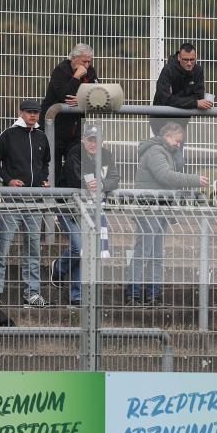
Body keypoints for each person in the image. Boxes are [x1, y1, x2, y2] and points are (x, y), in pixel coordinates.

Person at [128, 122, 208, 304]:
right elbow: (165, 175)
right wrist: (194, 180)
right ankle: (134, 294)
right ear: (168, 136)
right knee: (144, 252)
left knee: (155, 255)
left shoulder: (163, 152)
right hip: (150, 208)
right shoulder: (156, 152)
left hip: (160, 208)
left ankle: (152, 295)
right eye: (178, 141)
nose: (179, 145)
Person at [0, 99, 51, 308]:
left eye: (36, 112)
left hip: (35, 201)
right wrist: (7, 180)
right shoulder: (8, 135)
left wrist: (43, 179)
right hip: (12, 201)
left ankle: (32, 293)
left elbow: (45, 164)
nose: (33, 115)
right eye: (29, 112)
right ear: (20, 112)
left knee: (33, 249)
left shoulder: (42, 136)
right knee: (2, 247)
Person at [52, 124, 120, 305]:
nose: (93, 143)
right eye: (90, 139)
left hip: (91, 209)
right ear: (83, 139)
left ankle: (76, 295)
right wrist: (89, 183)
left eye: (96, 140)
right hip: (69, 207)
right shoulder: (75, 152)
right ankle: (59, 266)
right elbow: (74, 178)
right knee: (78, 246)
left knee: (84, 250)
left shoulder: (106, 155)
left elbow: (115, 179)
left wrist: (102, 184)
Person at [40, 43, 98, 181]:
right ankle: (52, 196)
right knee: (54, 165)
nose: (87, 65)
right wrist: (76, 77)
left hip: (76, 128)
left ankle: (71, 197)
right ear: (73, 58)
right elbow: (65, 96)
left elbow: (97, 94)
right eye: (84, 61)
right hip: (55, 128)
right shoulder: (60, 71)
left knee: (74, 164)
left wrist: (81, 100)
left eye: (89, 61)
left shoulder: (90, 72)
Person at [150, 42, 212, 170]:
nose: (189, 63)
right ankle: (162, 188)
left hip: (180, 124)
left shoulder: (198, 70)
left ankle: (173, 188)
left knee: (177, 162)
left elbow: (199, 96)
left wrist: (179, 100)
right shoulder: (168, 70)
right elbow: (165, 98)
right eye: (185, 60)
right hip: (161, 122)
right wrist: (193, 102)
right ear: (179, 57)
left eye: (192, 60)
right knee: (168, 161)